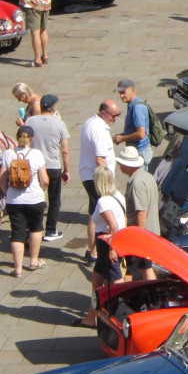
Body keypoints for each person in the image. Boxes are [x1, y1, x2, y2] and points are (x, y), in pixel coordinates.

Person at [71, 166, 126, 328]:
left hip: (107, 245)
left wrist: (112, 250)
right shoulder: (118, 195)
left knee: (117, 284)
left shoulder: (103, 202)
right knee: (96, 280)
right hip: (112, 244)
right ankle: (90, 318)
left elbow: (113, 226)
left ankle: (125, 317)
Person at [0, 125, 48, 277]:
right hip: (35, 199)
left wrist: (8, 192)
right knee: (36, 228)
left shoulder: (8, 154)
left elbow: (1, 179)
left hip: (14, 200)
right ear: (32, 139)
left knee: (17, 233)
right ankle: (33, 261)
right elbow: (44, 180)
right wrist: (41, 191)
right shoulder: (37, 154)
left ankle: (18, 269)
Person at [26, 94, 69, 242]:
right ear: (53, 107)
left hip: (34, 166)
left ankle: (32, 228)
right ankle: (51, 230)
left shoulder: (30, 120)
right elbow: (65, 150)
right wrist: (67, 170)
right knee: (54, 199)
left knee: (33, 198)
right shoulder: (59, 124)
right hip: (53, 166)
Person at [78, 100, 118, 263]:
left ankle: (92, 250)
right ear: (103, 113)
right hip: (98, 179)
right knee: (99, 215)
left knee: (93, 213)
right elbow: (101, 159)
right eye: (114, 116)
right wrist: (110, 184)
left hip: (89, 175)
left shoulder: (90, 122)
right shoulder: (100, 130)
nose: (115, 119)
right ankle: (95, 252)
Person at [116, 146, 159, 281]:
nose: (119, 166)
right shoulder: (147, 176)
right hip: (150, 233)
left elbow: (141, 212)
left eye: (120, 163)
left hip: (142, 236)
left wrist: (138, 238)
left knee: (139, 269)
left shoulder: (136, 183)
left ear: (127, 165)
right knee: (143, 268)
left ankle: (128, 296)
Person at [113, 78, 153, 168]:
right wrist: (121, 136)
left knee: (139, 178)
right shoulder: (133, 104)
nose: (121, 96)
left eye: (124, 92)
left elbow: (141, 134)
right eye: (120, 93)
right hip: (139, 150)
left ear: (132, 90)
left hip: (140, 152)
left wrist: (122, 138)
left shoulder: (137, 108)